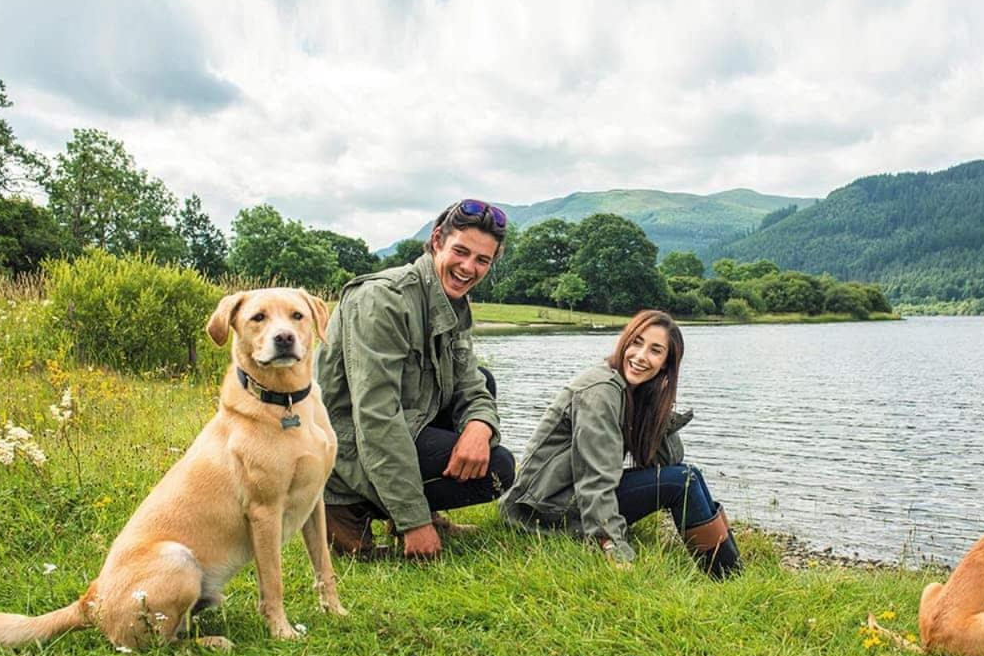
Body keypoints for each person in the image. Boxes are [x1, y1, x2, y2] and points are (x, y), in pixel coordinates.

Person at [317, 199, 516, 559]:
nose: (468, 267)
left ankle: (406, 507)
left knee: (485, 387)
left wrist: (480, 427)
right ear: (437, 239)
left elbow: (471, 383)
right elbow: (376, 418)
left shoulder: (452, 302)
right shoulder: (383, 300)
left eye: (482, 260)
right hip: (345, 444)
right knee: (497, 468)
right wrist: (414, 521)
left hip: (407, 421)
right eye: (461, 251)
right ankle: (341, 504)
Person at [499, 309, 742, 577]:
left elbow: (668, 461)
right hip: (544, 506)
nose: (640, 356)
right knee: (684, 481)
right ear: (625, 342)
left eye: (655, 351)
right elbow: (595, 476)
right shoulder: (601, 392)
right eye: (636, 342)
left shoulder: (632, 389)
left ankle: (728, 568)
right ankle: (727, 575)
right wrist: (612, 544)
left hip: (565, 494)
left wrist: (656, 404)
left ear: (666, 364)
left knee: (688, 476)